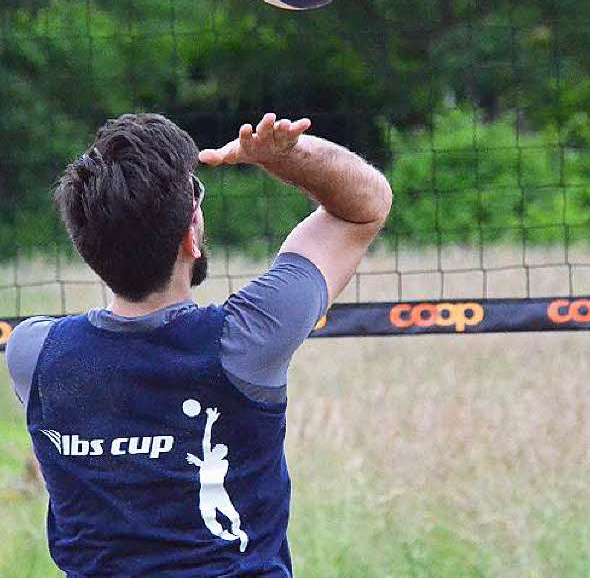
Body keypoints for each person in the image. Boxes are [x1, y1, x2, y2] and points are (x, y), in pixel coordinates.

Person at [5, 112, 392, 577]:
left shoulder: (33, 353)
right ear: (191, 236)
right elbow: (366, 205)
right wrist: (287, 158)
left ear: (86, 244)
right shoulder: (244, 342)